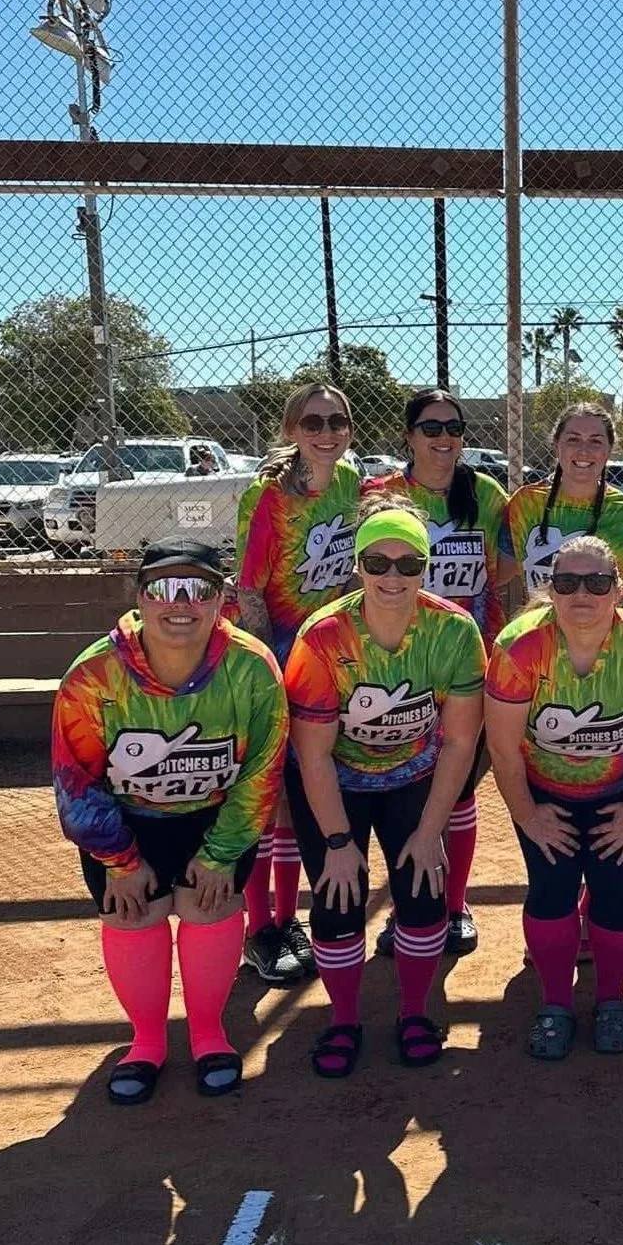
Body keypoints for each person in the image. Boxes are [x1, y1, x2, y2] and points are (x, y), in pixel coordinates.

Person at [52, 537, 288, 1105]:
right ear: (139, 597)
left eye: (198, 589)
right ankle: (147, 1043)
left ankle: (209, 1035)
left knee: (211, 907)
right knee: (134, 917)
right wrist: (119, 861)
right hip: (127, 824)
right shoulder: (95, 674)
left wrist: (222, 853)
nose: (180, 603)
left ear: (221, 600)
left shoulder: (252, 667)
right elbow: (77, 780)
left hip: (213, 817)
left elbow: (263, 768)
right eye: (163, 587)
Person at [284, 498, 486, 1076]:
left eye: (408, 563)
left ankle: (415, 1013)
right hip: (333, 781)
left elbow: (459, 742)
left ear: (427, 566)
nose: (393, 576)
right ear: (356, 565)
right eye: (377, 562)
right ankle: (343, 1018)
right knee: (337, 897)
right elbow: (314, 751)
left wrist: (429, 832)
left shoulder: (453, 629)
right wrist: (339, 844)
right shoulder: (322, 637)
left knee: (423, 894)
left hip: (412, 777)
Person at [485, 535, 623, 1060]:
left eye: (597, 582)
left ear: (620, 590)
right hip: (544, 789)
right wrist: (527, 816)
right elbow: (503, 750)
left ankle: (612, 1000)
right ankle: (554, 1003)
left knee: (615, 888)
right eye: (566, 582)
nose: (582, 594)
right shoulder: (518, 645)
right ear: (549, 590)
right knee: (550, 888)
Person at [362, 387, 515, 960]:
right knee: (406, 787)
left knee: (457, 788)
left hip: (465, 657)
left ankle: (452, 905)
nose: (444, 439)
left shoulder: (486, 493)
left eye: (454, 428)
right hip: (394, 661)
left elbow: (504, 571)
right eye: (431, 428)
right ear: (408, 436)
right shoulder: (382, 494)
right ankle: (408, 905)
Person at [235, 382, 361, 986]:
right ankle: (258, 929)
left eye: (336, 420)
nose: (326, 430)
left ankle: (289, 919)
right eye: (312, 420)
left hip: (322, 652)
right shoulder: (268, 496)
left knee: (299, 796)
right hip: (276, 651)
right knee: (265, 795)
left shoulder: (347, 483)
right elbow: (251, 588)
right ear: (291, 428)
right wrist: (268, 666)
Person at [502, 407, 623, 608]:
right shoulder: (525, 504)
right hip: (542, 633)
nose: (584, 450)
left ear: (609, 450)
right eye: (573, 439)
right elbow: (496, 573)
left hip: (607, 637)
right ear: (556, 445)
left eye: (595, 441)